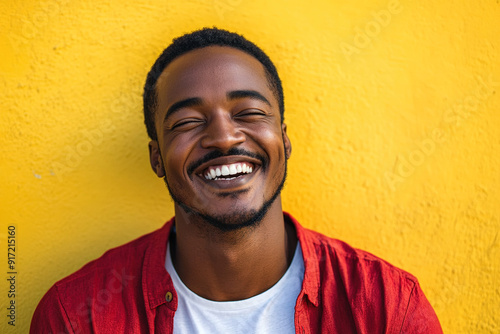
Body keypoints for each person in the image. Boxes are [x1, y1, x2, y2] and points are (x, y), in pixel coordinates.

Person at [31, 27, 442, 333]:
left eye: (249, 112)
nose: (224, 137)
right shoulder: (76, 316)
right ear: (157, 158)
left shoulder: (387, 307)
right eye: (188, 121)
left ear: (283, 138)